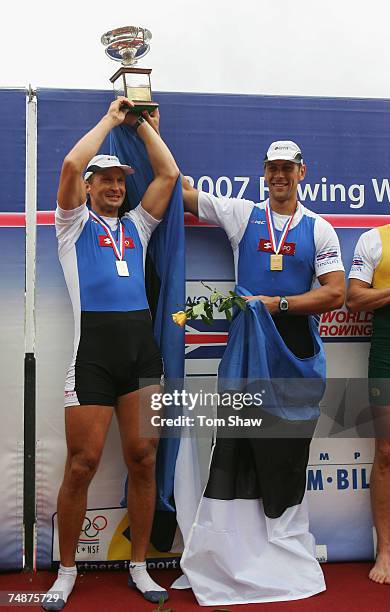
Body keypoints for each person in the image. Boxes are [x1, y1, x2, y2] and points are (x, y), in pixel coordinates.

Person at [177, 139, 345, 605]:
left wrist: (280, 304)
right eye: (273, 168)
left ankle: (284, 552)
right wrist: (152, 129)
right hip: (247, 354)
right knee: (237, 448)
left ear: (302, 172)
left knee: (285, 455)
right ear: (264, 172)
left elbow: (335, 295)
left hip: (293, 354)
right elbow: (183, 194)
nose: (280, 176)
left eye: (288, 169)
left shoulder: (319, 228)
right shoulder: (242, 215)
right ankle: (236, 553)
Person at [42, 97, 179, 611]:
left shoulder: (138, 227)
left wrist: (142, 127)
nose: (116, 187)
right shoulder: (71, 225)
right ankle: (68, 570)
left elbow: (168, 175)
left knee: (143, 460)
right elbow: (73, 164)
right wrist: (112, 118)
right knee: (84, 463)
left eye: (121, 180)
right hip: (93, 356)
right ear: (91, 188)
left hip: (141, 355)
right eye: (107, 180)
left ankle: (139, 567)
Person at [347, 226, 390, 585]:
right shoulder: (374, 239)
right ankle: (386, 551)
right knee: (387, 452)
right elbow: (354, 299)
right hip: (387, 356)